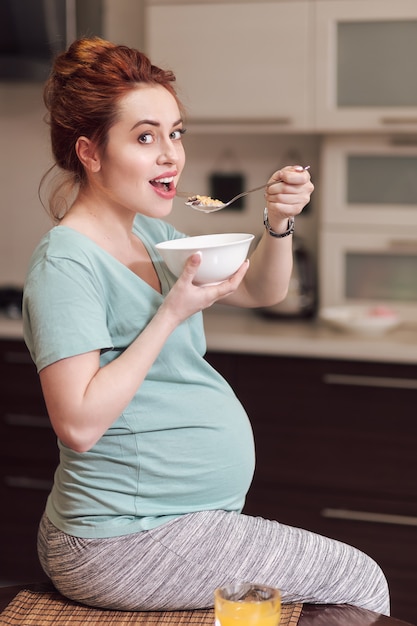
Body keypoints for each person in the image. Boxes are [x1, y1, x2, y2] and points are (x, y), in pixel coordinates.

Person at [23, 37, 389, 615]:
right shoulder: (66, 263)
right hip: (120, 539)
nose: (171, 154)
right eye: (145, 137)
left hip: (171, 522)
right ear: (90, 152)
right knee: (358, 580)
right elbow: (78, 425)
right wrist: (171, 314)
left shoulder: (154, 235)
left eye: (175, 133)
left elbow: (262, 290)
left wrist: (278, 222)